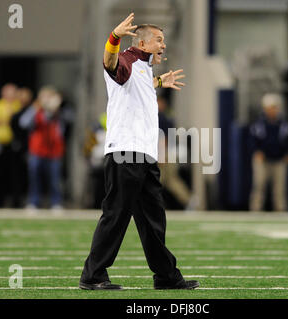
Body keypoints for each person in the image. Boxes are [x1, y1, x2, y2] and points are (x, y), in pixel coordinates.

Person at [79, 13, 199, 290]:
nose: (163, 45)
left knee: (153, 218)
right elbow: (109, 63)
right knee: (116, 215)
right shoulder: (128, 60)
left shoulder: (144, 68)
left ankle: (166, 277)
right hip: (125, 152)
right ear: (143, 44)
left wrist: (158, 83)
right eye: (159, 40)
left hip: (144, 154)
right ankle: (93, 275)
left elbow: (135, 91)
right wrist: (114, 37)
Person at [19, 86, 65, 210]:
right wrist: (36, 107)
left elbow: (61, 129)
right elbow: (23, 122)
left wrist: (55, 109)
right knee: (34, 178)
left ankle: (56, 203)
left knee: (55, 180)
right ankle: (33, 202)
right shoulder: (36, 110)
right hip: (37, 151)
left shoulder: (58, 113)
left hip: (54, 151)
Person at [249, 93, 288, 212]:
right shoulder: (259, 124)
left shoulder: (284, 124)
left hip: (279, 160)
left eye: (275, 107)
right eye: (270, 107)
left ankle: (280, 210)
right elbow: (252, 140)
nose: (273, 110)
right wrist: (257, 151)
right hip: (263, 160)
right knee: (259, 186)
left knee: (279, 188)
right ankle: (256, 209)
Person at [0, 83, 22, 207]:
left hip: (13, 144)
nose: (10, 95)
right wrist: (8, 117)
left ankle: (16, 203)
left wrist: (8, 118)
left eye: (12, 92)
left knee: (15, 175)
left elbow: (18, 120)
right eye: (8, 92)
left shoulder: (18, 105)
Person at [10, 87, 34, 207]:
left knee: (28, 175)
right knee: (16, 175)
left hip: (30, 147)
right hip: (18, 146)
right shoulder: (15, 112)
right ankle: (16, 200)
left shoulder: (32, 112)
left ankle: (28, 199)